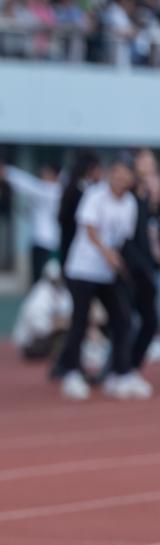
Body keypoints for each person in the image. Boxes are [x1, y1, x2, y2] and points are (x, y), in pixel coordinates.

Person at [58, 158, 147, 400]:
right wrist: (107, 253)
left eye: (125, 174)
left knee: (122, 319)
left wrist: (120, 261)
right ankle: (72, 373)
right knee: (80, 320)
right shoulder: (95, 195)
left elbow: (123, 238)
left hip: (108, 273)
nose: (120, 178)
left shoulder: (129, 203)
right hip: (83, 269)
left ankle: (120, 373)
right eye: (116, 173)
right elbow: (89, 229)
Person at [124, 149, 159, 388]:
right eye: (143, 163)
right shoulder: (128, 196)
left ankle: (127, 367)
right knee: (128, 320)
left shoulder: (148, 195)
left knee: (147, 320)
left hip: (148, 266)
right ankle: (122, 369)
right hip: (131, 267)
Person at [6, 161, 62, 283]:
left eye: (46, 173)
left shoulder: (51, 190)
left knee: (42, 280)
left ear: (54, 175)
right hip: (47, 241)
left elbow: (27, 184)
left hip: (45, 242)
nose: (42, 176)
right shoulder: (52, 191)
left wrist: (6, 171)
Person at [13, 259, 72, 360]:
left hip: (49, 334)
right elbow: (40, 328)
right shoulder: (38, 295)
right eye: (53, 280)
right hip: (32, 341)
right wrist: (61, 323)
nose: (57, 283)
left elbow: (68, 312)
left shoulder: (62, 292)